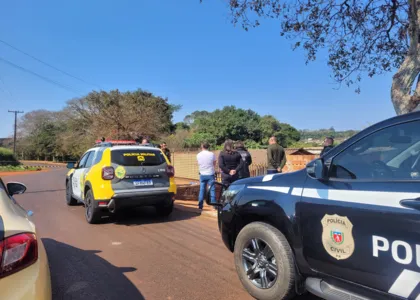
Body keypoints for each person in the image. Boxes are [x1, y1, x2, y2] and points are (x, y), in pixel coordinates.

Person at [196, 142, 216, 211]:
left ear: (202, 146)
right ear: (208, 147)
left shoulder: (198, 155)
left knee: (202, 190)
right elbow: (214, 164)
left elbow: (198, 163)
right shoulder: (212, 154)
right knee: (212, 189)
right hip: (210, 174)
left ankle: (200, 206)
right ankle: (214, 205)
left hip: (202, 174)